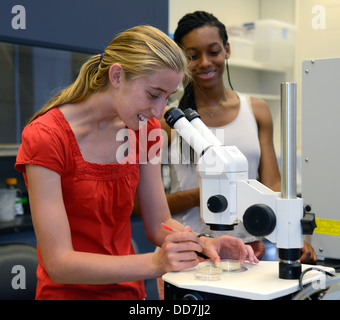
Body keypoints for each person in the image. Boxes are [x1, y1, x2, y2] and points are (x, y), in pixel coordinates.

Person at [15, 25, 258, 300]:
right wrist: (155, 263)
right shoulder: (46, 136)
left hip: (129, 294)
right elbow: (59, 264)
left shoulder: (148, 131)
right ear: (117, 75)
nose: (158, 111)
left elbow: (159, 224)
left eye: (167, 98)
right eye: (153, 94)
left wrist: (204, 244)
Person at [159, 11, 316, 263]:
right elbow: (142, 206)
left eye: (213, 51)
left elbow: (272, 184)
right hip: (190, 249)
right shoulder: (167, 122)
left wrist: (291, 233)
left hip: (250, 248)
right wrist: (211, 192)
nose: (205, 62)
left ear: (227, 50)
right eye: (192, 55)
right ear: (180, 58)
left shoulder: (257, 110)